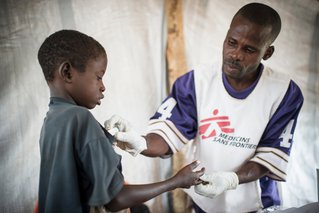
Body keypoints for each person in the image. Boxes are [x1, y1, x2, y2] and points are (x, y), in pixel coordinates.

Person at [105, 2, 304, 213]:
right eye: (232, 42)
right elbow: (168, 135)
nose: (235, 54)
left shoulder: (285, 93)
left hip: (254, 204)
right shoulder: (197, 81)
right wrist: (140, 141)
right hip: (204, 202)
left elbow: (270, 157)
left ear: (267, 52)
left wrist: (231, 179)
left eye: (249, 49)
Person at [37, 29, 206, 213]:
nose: (103, 86)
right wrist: (176, 181)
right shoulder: (80, 119)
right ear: (68, 72)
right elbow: (116, 199)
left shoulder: (51, 121)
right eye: (98, 77)